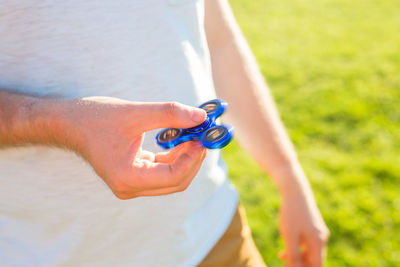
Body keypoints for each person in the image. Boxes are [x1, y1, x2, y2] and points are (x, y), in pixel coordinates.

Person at [0, 0, 329, 266]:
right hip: (48, 255)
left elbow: (219, 40)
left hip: (213, 235)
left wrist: (288, 177)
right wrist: (60, 123)